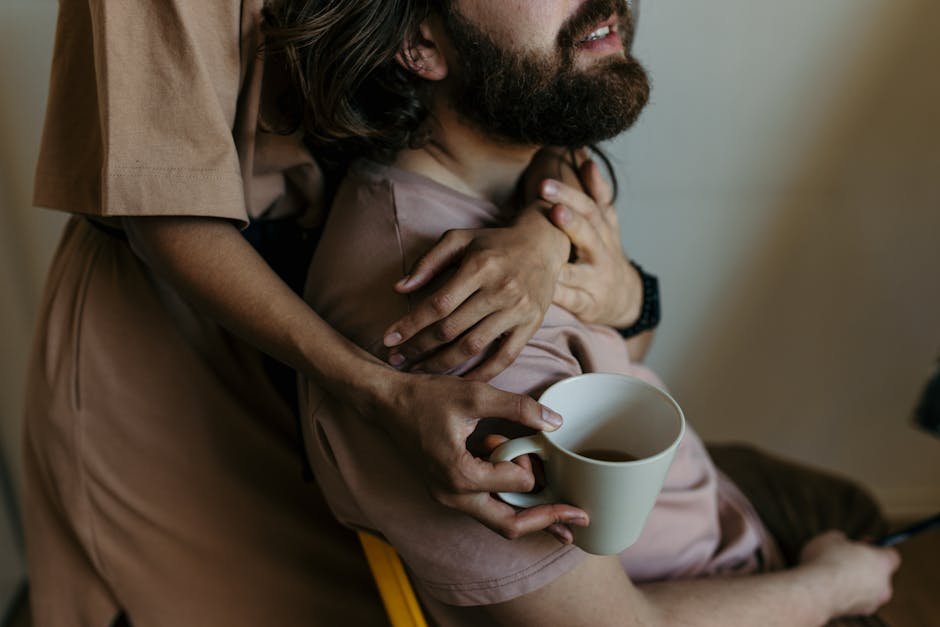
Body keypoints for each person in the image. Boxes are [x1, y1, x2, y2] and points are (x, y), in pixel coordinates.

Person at [23, 1, 643, 625]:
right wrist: (380, 392)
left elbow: (529, 74)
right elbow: (165, 216)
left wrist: (542, 237)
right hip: (181, 321)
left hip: (347, 262)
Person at [284, 0, 902, 625]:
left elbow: (620, 351)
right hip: (700, 587)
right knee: (862, 545)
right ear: (421, 45)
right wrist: (830, 589)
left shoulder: (525, 183)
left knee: (846, 504)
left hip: (702, 509)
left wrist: (605, 279)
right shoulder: (462, 326)